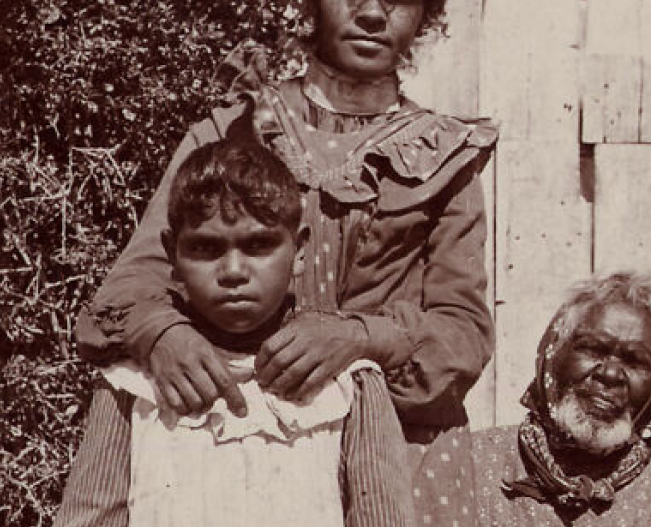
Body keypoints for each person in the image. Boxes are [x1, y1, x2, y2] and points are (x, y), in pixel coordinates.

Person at [73, 0, 496, 526]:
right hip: (238, 441)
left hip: (400, 463)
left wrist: (355, 339)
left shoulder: (445, 158)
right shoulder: (232, 129)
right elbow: (123, 293)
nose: (372, 12)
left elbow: (461, 336)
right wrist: (161, 334)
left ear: (427, 10)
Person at [56, 139, 414, 527]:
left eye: (259, 245)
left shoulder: (350, 384)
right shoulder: (132, 383)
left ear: (299, 251)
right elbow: (90, 517)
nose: (233, 272)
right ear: (172, 256)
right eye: (206, 248)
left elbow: (382, 517)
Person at [473, 272, 651, 527]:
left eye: (635, 361)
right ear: (552, 354)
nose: (610, 374)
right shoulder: (475, 465)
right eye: (592, 349)